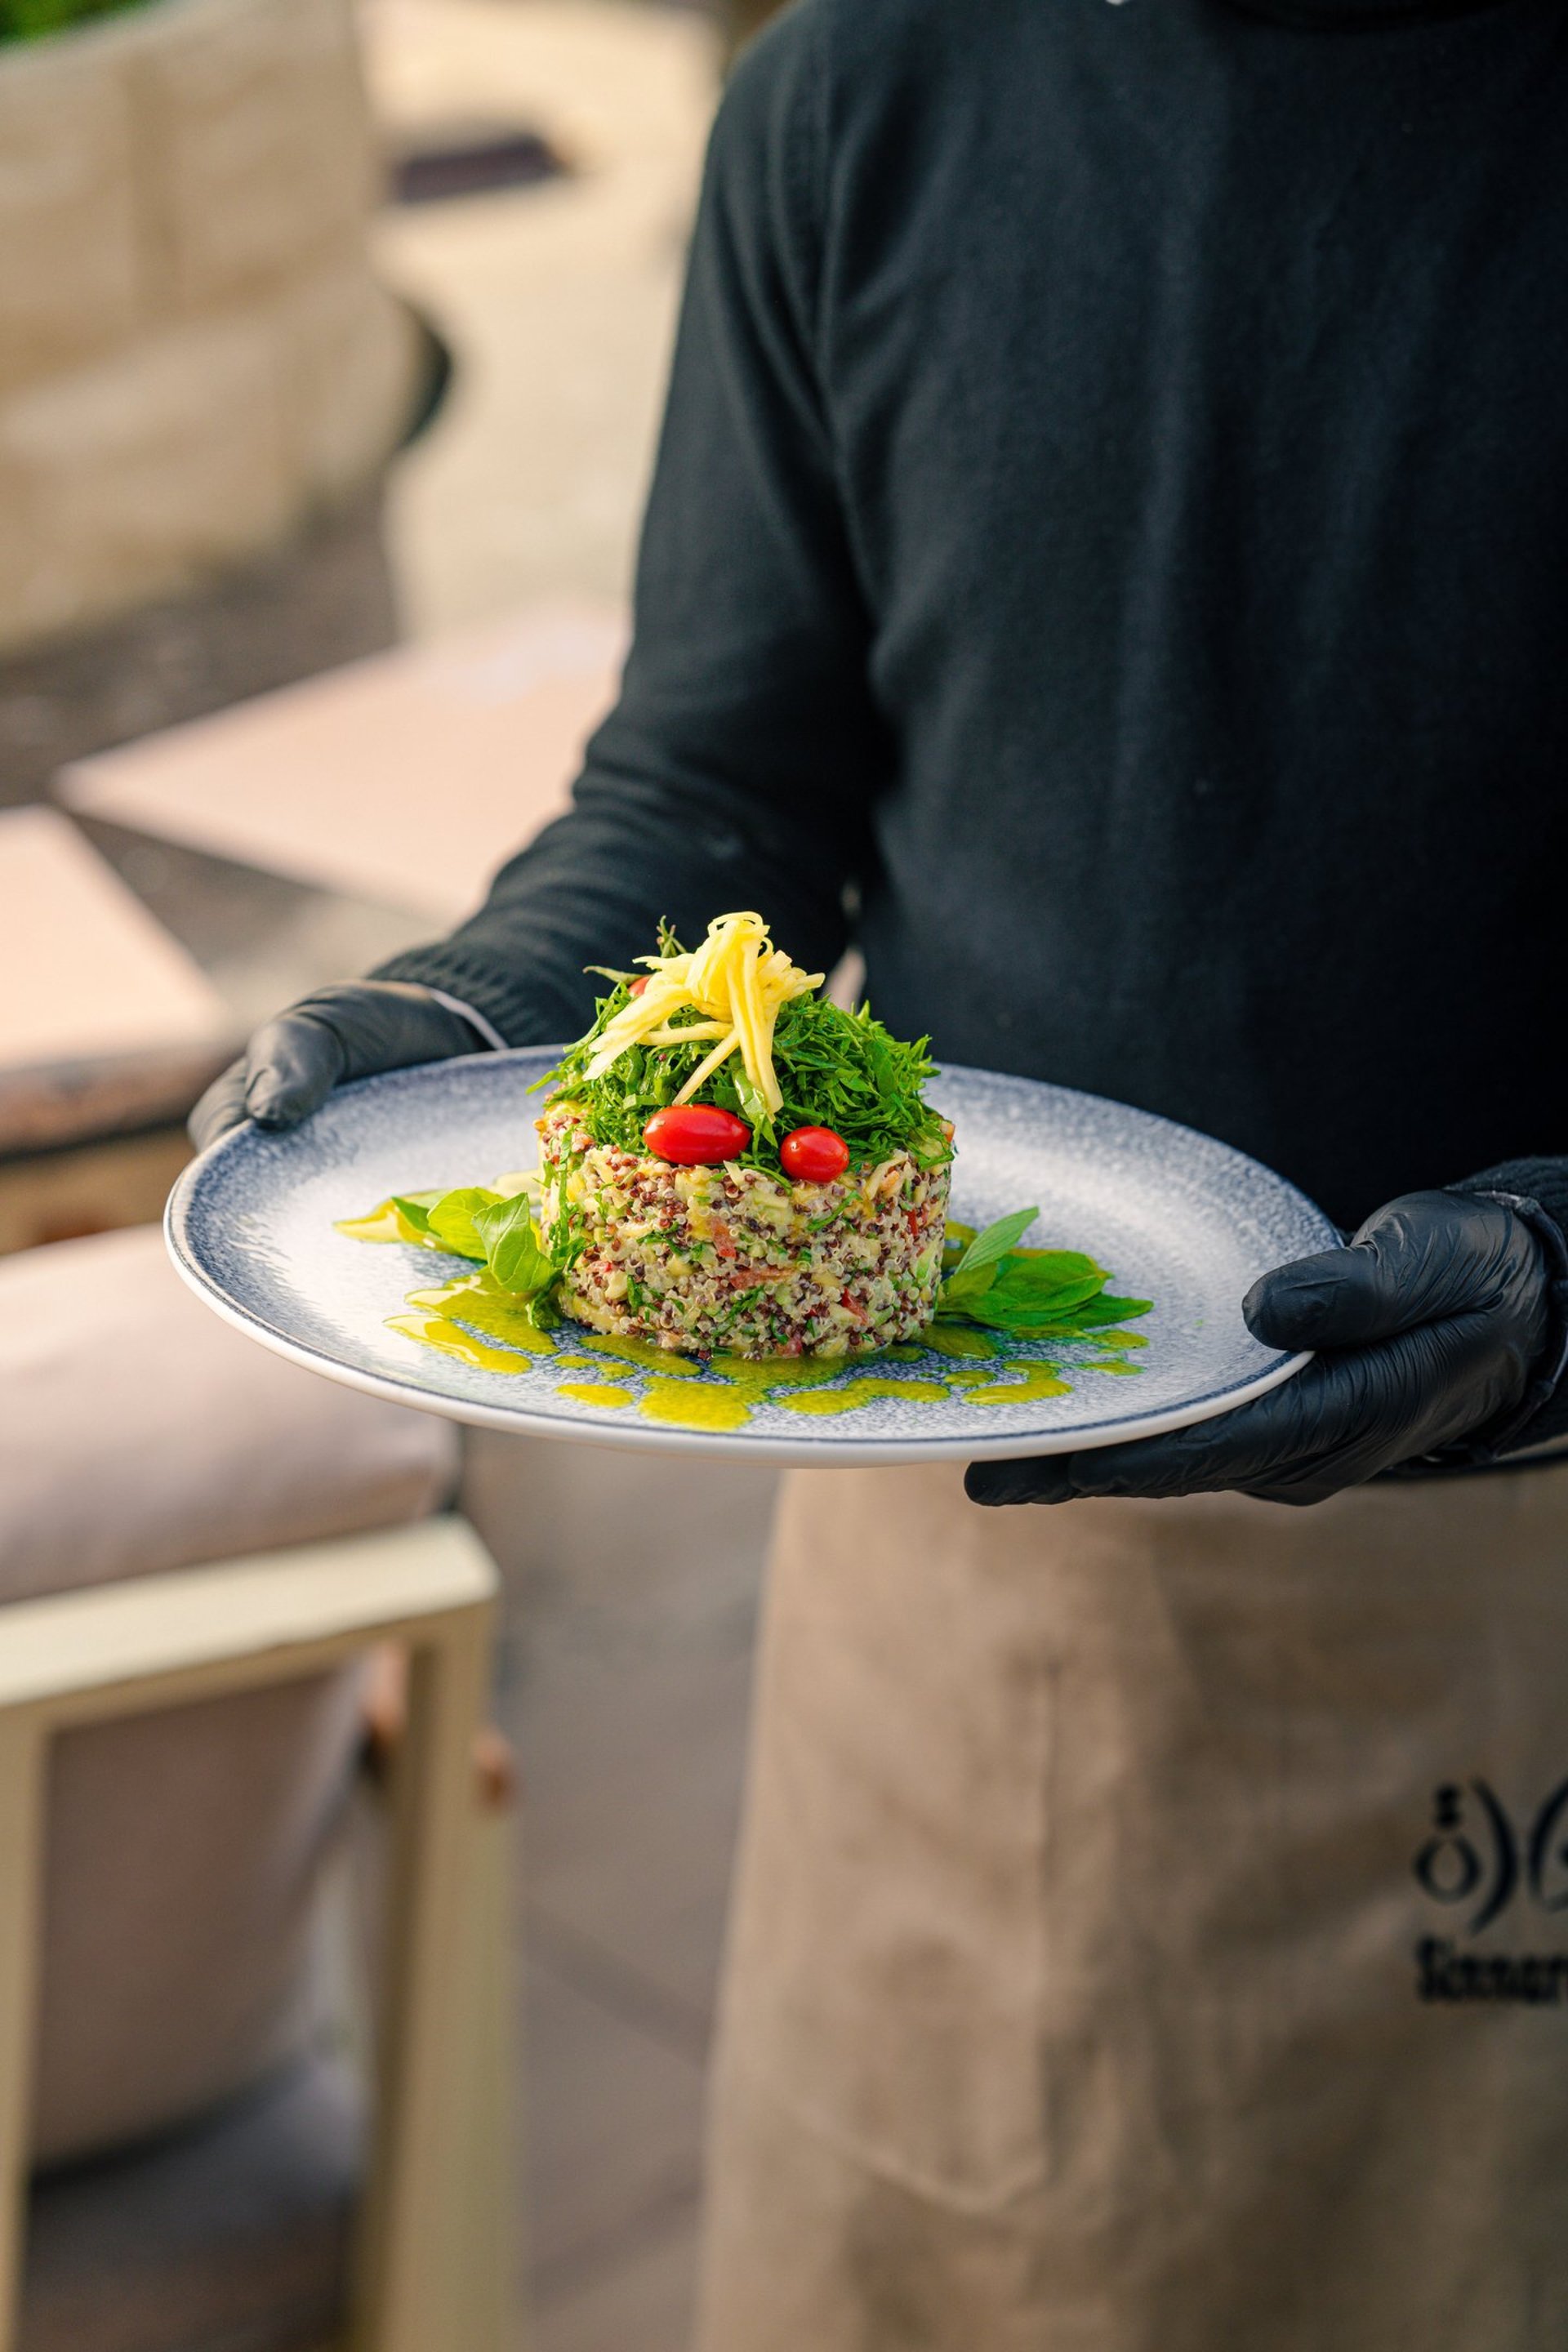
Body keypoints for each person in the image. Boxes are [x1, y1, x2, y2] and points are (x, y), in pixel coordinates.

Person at [195, 0, 1568, 2340]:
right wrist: (468, 1017)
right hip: (955, 1583)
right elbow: (717, 784)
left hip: (1509, 1612)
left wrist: (1551, 1279)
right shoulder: (858, 94)